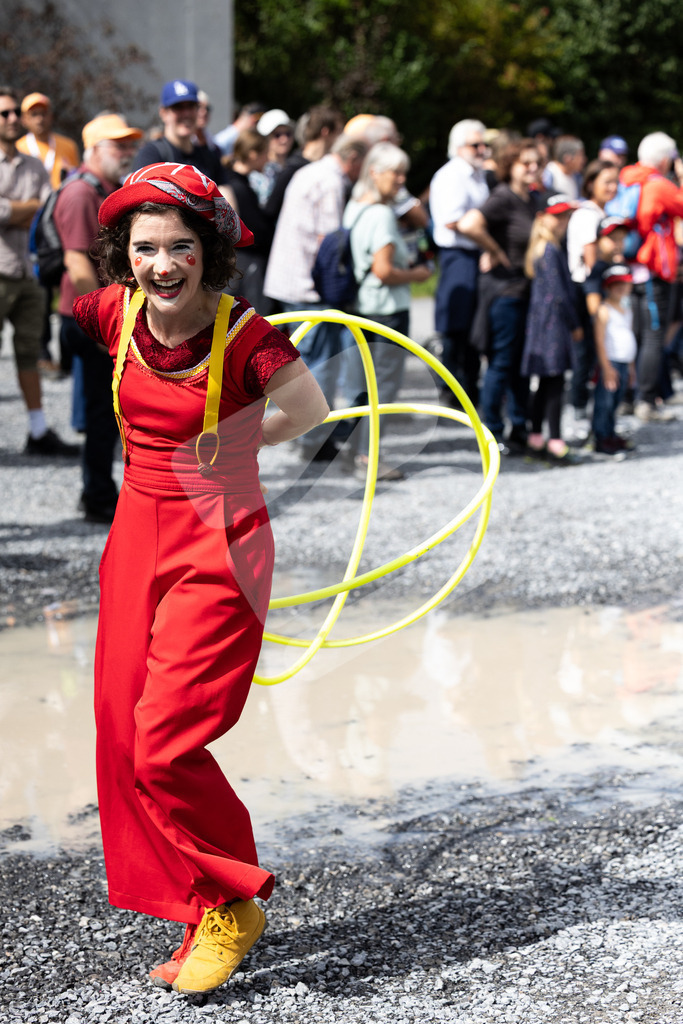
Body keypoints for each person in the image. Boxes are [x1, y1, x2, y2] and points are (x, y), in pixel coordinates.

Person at [73, 162, 328, 995]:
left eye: (180, 245)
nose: (162, 264)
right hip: (134, 536)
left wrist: (232, 446)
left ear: (207, 252)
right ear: (125, 253)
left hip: (218, 534)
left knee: (165, 741)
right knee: (120, 735)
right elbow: (74, 285)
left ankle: (234, 902)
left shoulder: (248, 338)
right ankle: (198, 902)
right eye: (145, 247)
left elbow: (311, 411)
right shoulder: (112, 311)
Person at [53, 113, 143, 523]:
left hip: (100, 317)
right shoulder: (79, 194)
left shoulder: (106, 189)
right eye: (116, 145)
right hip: (89, 320)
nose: (125, 152)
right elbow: (77, 263)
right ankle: (98, 497)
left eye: (128, 145)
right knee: (100, 413)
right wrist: (104, 322)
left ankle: (103, 491)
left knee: (110, 410)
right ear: (91, 149)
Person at [264, 134, 367, 461]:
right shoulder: (330, 181)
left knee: (301, 359)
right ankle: (313, 440)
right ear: (353, 158)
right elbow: (331, 242)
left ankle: (298, 433)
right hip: (309, 286)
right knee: (320, 361)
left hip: (290, 280)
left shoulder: (311, 171)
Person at [342, 142, 433, 480]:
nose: (401, 179)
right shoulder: (380, 214)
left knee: (363, 386)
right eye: (395, 172)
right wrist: (417, 274)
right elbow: (383, 269)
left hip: (362, 308)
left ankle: (355, 453)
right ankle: (368, 459)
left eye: (403, 172)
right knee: (382, 389)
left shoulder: (354, 206)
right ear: (375, 173)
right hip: (386, 310)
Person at [0, 85, 78, 456]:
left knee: (30, 353)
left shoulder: (32, 164)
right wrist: (23, 209)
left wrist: (17, 209)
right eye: (6, 114)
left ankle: (37, 430)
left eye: (16, 112)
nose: (13, 119)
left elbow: (43, 209)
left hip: (26, 274)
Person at [458, 137, 544, 452]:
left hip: (526, 292)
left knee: (522, 362)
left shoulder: (533, 199)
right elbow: (468, 224)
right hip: (504, 292)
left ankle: (519, 427)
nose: (533, 168)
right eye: (526, 163)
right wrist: (494, 250)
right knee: (501, 361)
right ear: (511, 167)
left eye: (537, 163)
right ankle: (491, 431)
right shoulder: (503, 197)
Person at [617, 131, 683, 421]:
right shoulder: (657, 184)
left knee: (637, 335)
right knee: (653, 338)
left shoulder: (627, 178)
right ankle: (646, 401)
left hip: (631, 270)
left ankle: (628, 398)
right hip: (653, 271)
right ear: (665, 159)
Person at [429, 119, 489, 406]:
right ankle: (451, 388)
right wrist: (489, 239)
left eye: (483, 144)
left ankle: (467, 383)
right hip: (458, 253)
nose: (482, 149)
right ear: (459, 147)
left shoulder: (475, 174)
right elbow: (454, 221)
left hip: (473, 251)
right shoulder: (452, 175)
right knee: (456, 323)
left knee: (472, 323)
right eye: (475, 144)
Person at [522, 195, 582, 462]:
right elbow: (559, 294)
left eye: (566, 216)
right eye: (558, 216)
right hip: (553, 326)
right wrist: (575, 323)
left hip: (541, 325)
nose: (563, 222)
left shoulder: (540, 249)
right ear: (543, 217)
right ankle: (555, 440)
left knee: (546, 382)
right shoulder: (551, 250)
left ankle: (536, 437)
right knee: (555, 382)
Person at [566, 159, 619, 417]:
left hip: (592, 287)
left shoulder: (599, 212)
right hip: (585, 289)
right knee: (587, 350)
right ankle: (578, 408)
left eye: (615, 182)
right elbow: (591, 261)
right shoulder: (587, 215)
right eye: (607, 182)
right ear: (590, 184)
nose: (613, 187)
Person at [131, 80, 227, 191]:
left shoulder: (209, 157)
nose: (186, 113)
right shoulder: (151, 154)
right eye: (178, 107)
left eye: (191, 106)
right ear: (163, 113)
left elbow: (226, 197)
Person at [223, 129, 273, 313]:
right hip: (244, 265)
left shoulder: (238, 182)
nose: (268, 159)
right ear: (253, 154)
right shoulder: (237, 187)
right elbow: (253, 231)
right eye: (265, 153)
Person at [592, 265, 637, 454]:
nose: (621, 288)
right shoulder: (604, 309)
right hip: (610, 362)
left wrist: (632, 367)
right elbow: (599, 340)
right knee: (605, 401)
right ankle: (601, 437)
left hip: (624, 361)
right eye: (616, 284)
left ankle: (610, 433)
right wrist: (606, 367)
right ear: (608, 287)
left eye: (624, 284)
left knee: (616, 400)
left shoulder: (627, 309)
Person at [16, 91, 80, 189]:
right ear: (24, 120)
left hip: (61, 200)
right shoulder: (18, 148)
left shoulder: (68, 145)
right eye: (34, 114)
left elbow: (77, 180)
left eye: (43, 113)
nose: (39, 119)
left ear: (51, 116)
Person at [249, 108, 295, 208]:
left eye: (288, 134)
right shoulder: (256, 174)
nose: (284, 139)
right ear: (265, 138)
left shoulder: (295, 168)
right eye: (277, 135)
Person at [542, 135, 586, 200]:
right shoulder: (548, 175)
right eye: (580, 155)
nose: (584, 159)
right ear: (567, 158)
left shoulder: (577, 177)